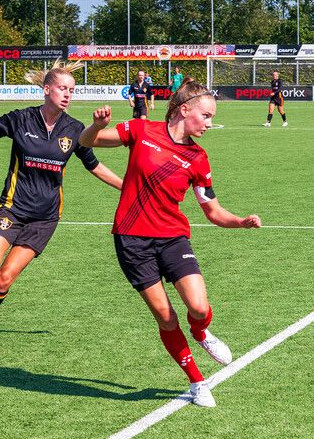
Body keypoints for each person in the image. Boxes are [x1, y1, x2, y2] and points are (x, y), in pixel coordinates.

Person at [78, 80, 262, 408]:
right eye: (205, 116)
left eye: (211, 118)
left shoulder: (198, 159)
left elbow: (213, 211)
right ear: (184, 109)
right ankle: (196, 382)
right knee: (165, 317)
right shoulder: (140, 129)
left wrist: (240, 222)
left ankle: (202, 333)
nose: (209, 123)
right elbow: (86, 141)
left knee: (199, 308)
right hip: (132, 240)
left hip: (173, 238)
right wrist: (97, 125)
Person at [0, 60, 123, 358]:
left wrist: (126, 186)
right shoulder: (21, 119)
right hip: (12, 210)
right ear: (47, 89)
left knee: (4, 278)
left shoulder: (74, 129)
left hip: (44, 219)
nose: (68, 95)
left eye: (72, 90)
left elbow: (93, 165)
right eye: (62, 89)